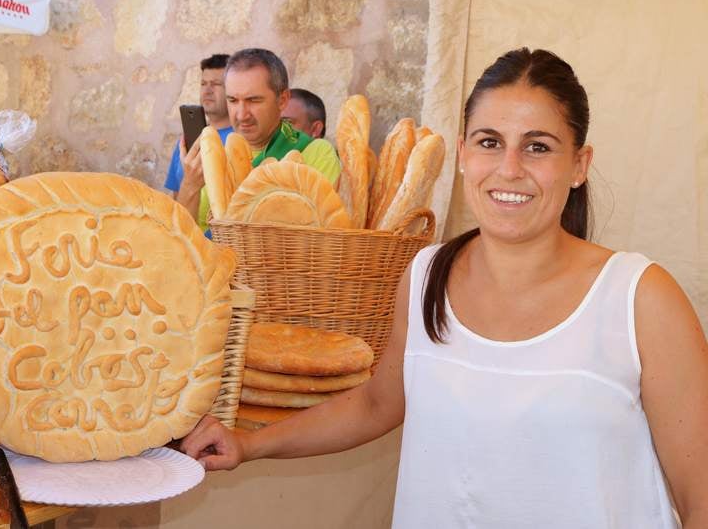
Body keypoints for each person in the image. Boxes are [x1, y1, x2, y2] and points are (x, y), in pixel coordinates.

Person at [181, 48, 708, 528]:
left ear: (579, 165)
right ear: (462, 153)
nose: (509, 169)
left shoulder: (639, 298)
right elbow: (376, 405)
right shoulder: (426, 275)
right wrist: (248, 444)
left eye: (538, 147)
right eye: (489, 142)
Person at [179, 49, 342, 232]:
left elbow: (326, 238)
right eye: (232, 100)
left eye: (253, 100)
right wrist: (190, 184)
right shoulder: (219, 157)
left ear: (282, 100)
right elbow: (186, 239)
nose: (241, 115)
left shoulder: (316, 152)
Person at [166, 54, 233, 235]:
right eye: (203, 84)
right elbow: (175, 201)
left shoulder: (241, 140)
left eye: (217, 84)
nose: (207, 90)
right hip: (188, 243)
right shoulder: (186, 142)